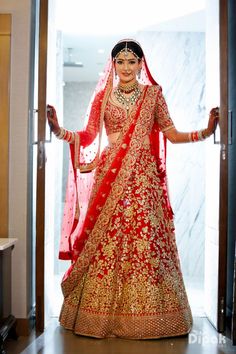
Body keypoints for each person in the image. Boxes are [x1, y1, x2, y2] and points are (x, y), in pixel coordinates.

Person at [47, 39, 219, 339]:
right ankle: (98, 316)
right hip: (110, 178)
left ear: (141, 64)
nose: (126, 67)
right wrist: (58, 130)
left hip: (144, 182)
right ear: (113, 65)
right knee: (107, 240)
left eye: (132, 61)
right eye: (120, 61)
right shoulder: (103, 97)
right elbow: (88, 135)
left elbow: (171, 134)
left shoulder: (153, 96)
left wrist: (205, 131)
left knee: (146, 241)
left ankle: (152, 316)